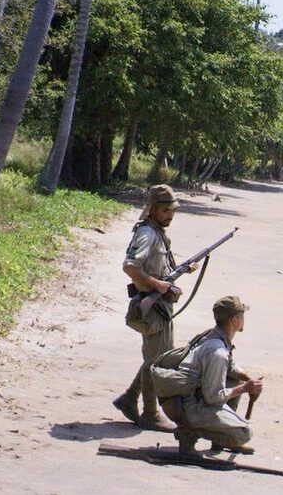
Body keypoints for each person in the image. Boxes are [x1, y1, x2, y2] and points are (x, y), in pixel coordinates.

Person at [113, 184, 195, 432]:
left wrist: (179, 270)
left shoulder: (157, 232)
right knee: (156, 361)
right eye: (165, 211)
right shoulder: (147, 234)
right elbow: (130, 267)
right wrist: (156, 283)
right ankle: (150, 413)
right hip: (150, 305)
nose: (170, 215)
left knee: (159, 356)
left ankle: (129, 398)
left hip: (159, 305)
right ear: (152, 210)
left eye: (172, 211)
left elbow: (156, 267)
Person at [171, 295, 263, 454]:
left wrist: (249, 379)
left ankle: (218, 440)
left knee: (234, 379)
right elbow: (213, 397)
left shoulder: (214, 336)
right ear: (234, 320)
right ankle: (189, 433)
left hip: (186, 398)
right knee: (243, 434)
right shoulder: (217, 352)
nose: (244, 319)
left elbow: (231, 367)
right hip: (190, 407)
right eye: (242, 316)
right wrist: (244, 388)